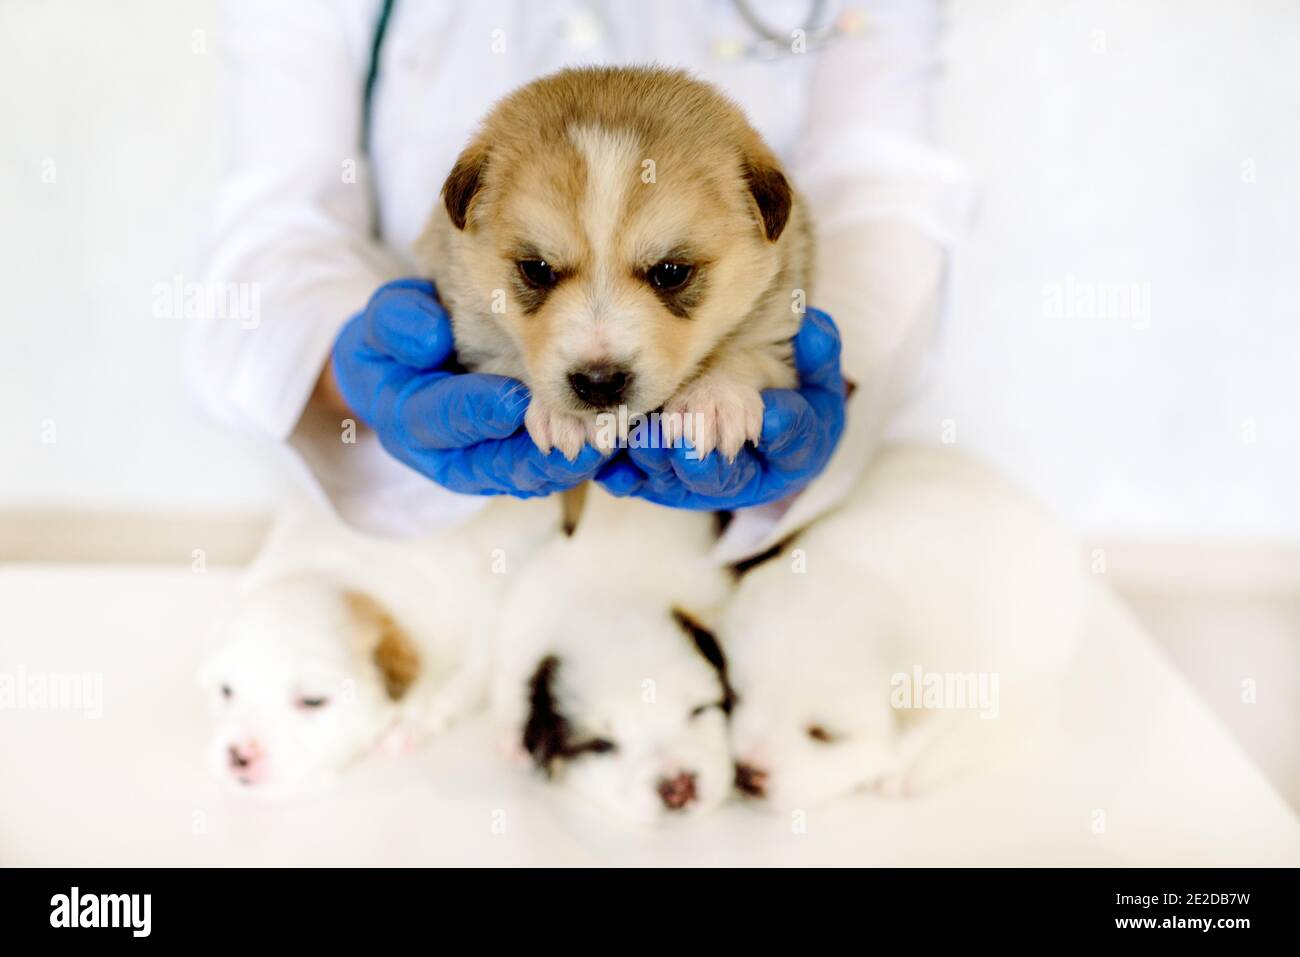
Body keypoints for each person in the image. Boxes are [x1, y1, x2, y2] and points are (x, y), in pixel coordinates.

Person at [187, 0, 969, 561]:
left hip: (729, 564)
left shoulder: (768, 223)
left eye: (670, 274)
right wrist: (361, 375)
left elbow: (880, 182)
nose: (600, 351)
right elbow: (275, 221)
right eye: (535, 271)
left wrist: (796, 376)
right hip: (421, 543)